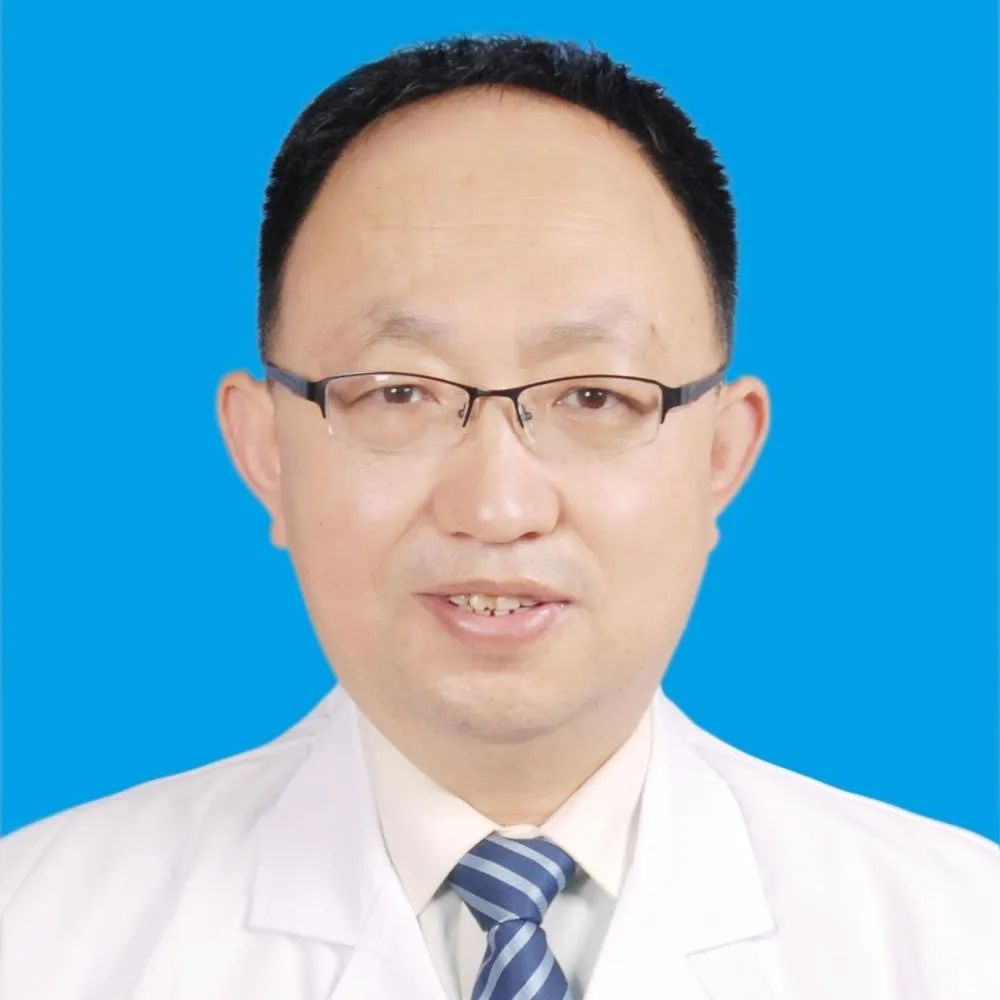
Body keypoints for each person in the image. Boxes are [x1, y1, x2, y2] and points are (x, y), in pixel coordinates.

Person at [1, 33, 997, 1000]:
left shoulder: (960, 939)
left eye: (594, 396)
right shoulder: (36, 937)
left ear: (722, 456)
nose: (496, 505)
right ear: (265, 449)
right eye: (398, 391)